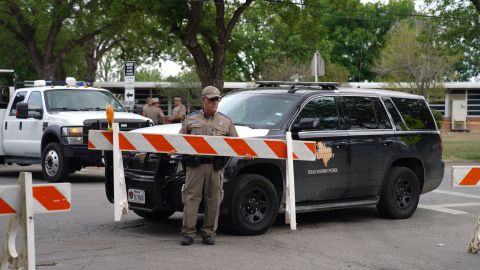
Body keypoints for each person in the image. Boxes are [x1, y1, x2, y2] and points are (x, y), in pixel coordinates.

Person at [179, 86, 238, 246]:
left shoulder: (226, 121)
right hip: (195, 167)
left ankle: (209, 232)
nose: (215, 102)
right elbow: (179, 142)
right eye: (211, 99)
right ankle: (188, 233)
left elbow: (236, 145)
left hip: (215, 167)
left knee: (214, 199)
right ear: (203, 100)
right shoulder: (191, 120)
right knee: (191, 199)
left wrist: (244, 153)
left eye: (217, 99)